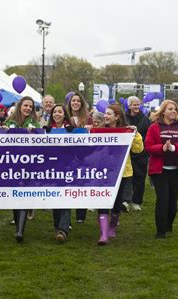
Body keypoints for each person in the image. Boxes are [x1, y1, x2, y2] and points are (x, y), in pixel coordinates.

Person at [97, 104, 143, 245]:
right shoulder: (98, 131)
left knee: (116, 203)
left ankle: (112, 227)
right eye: (105, 113)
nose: (105, 116)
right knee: (103, 201)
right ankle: (103, 234)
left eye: (109, 114)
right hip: (103, 172)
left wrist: (135, 135)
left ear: (117, 116)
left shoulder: (127, 130)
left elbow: (138, 149)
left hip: (122, 172)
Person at [145, 100, 178, 239]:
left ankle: (168, 225)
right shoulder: (154, 127)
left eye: (175, 109)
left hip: (175, 170)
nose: (174, 111)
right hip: (159, 170)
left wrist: (174, 148)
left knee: (172, 204)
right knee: (162, 200)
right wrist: (162, 148)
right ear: (163, 111)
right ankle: (160, 231)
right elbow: (148, 146)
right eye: (170, 109)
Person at [3, 96, 40, 242]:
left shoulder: (34, 123)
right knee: (14, 195)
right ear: (20, 106)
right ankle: (17, 223)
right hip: (11, 163)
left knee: (24, 194)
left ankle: (20, 231)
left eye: (30, 106)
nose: (28, 108)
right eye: (26, 105)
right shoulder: (10, 121)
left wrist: (35, 132)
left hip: (28, 164)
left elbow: (40, 140)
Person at [45, 104, 75, 242]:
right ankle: (58, 227)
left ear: (64, 114)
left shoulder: (71, 129)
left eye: (60, 112)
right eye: (54, 112)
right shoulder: (46, 129)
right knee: (55, 197)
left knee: (66, 197)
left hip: (67, 168)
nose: (57, 114)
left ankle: (63, 229)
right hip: (51, 168)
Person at [66, 92, 93, 223]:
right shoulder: (65, 117)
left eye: (78, 101)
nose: (75, 103)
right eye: (73, 100)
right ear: (69, 103)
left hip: (83, 156)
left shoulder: (88, 118)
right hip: (67, 156)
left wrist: (91, 129)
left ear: (81, 103)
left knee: (82, 183)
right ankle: (66, 216)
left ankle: (80, 216)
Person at [123, 96, 151, 212]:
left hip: (141, 152)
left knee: (140, 177)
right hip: (126, 152)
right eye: (134, 105)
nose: (136, 107)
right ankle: (124, 201)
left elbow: (148, 135)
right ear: (129, 106)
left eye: (138, 104)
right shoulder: (124, 118)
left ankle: (137, 201)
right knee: (125, 178)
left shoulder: (145, 119)